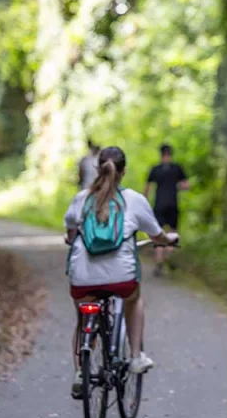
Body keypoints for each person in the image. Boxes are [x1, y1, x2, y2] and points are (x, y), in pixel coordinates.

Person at [64, 146, 178, 398]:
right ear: (123, 171)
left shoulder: (81, 199)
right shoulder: (135, 200)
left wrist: (71, 236)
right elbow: (156, 235)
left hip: (82, 280)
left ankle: (80, 373)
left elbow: (71, 235)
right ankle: (136, 356)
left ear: (97, 168)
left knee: (83, 318)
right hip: (122, 278)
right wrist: (169, 240)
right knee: (133, 299)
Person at [144, 144, 189, 276]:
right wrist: (177, 185)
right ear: (171, 154)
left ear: (161, 154)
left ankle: (159, 261)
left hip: (159, 205)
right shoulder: (177, 168)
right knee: (172, 232)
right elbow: (186, 186)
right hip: (172, 204)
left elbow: (147, 188)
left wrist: (144, 203)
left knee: (158, 234)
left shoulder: (155, 169)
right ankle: (169, 255)